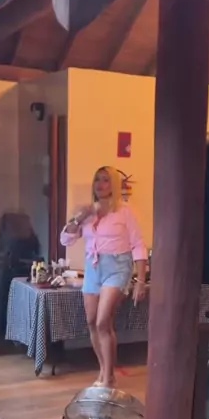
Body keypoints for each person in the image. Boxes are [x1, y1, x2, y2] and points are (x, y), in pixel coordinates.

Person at [60, 166, 147, 388]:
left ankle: (108, 378)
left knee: (102, 322)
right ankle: (104, 370)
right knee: (91, 322)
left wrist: (140, 281)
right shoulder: (87, 213)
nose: (100, 184)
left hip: (117, 268)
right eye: (97, 179)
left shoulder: (124, 211)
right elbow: (66, 240)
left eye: (106, 180)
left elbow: (138, 245)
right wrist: (79, 217)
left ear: (114, 184)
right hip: (93, 268)